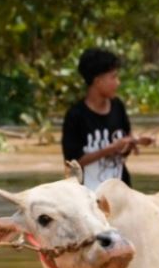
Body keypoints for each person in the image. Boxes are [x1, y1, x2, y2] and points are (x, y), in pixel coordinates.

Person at [62, 48, 153, 190]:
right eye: (113, 77)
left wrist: (134, 142)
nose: (118, 82)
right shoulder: (75, 116)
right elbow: (74, 163)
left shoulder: (118, 107)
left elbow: (123, 148)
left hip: (120, 191)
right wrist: (108, 149)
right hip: (89, 196)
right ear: (98, 81)